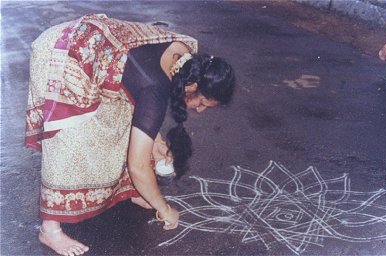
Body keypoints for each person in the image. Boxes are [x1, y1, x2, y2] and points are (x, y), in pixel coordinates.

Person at [25, 14, 235, 256]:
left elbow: (140, 97)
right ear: (194, 87)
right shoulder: (156, 87)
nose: (199, 110)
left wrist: (154, 141)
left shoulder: (186, 60)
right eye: (203, 103)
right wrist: (165, 209)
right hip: (61, 53)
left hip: (93, 47)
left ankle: (134, 191)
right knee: (69, 136)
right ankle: (49, 229)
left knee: (121, 119)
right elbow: (138, 164)